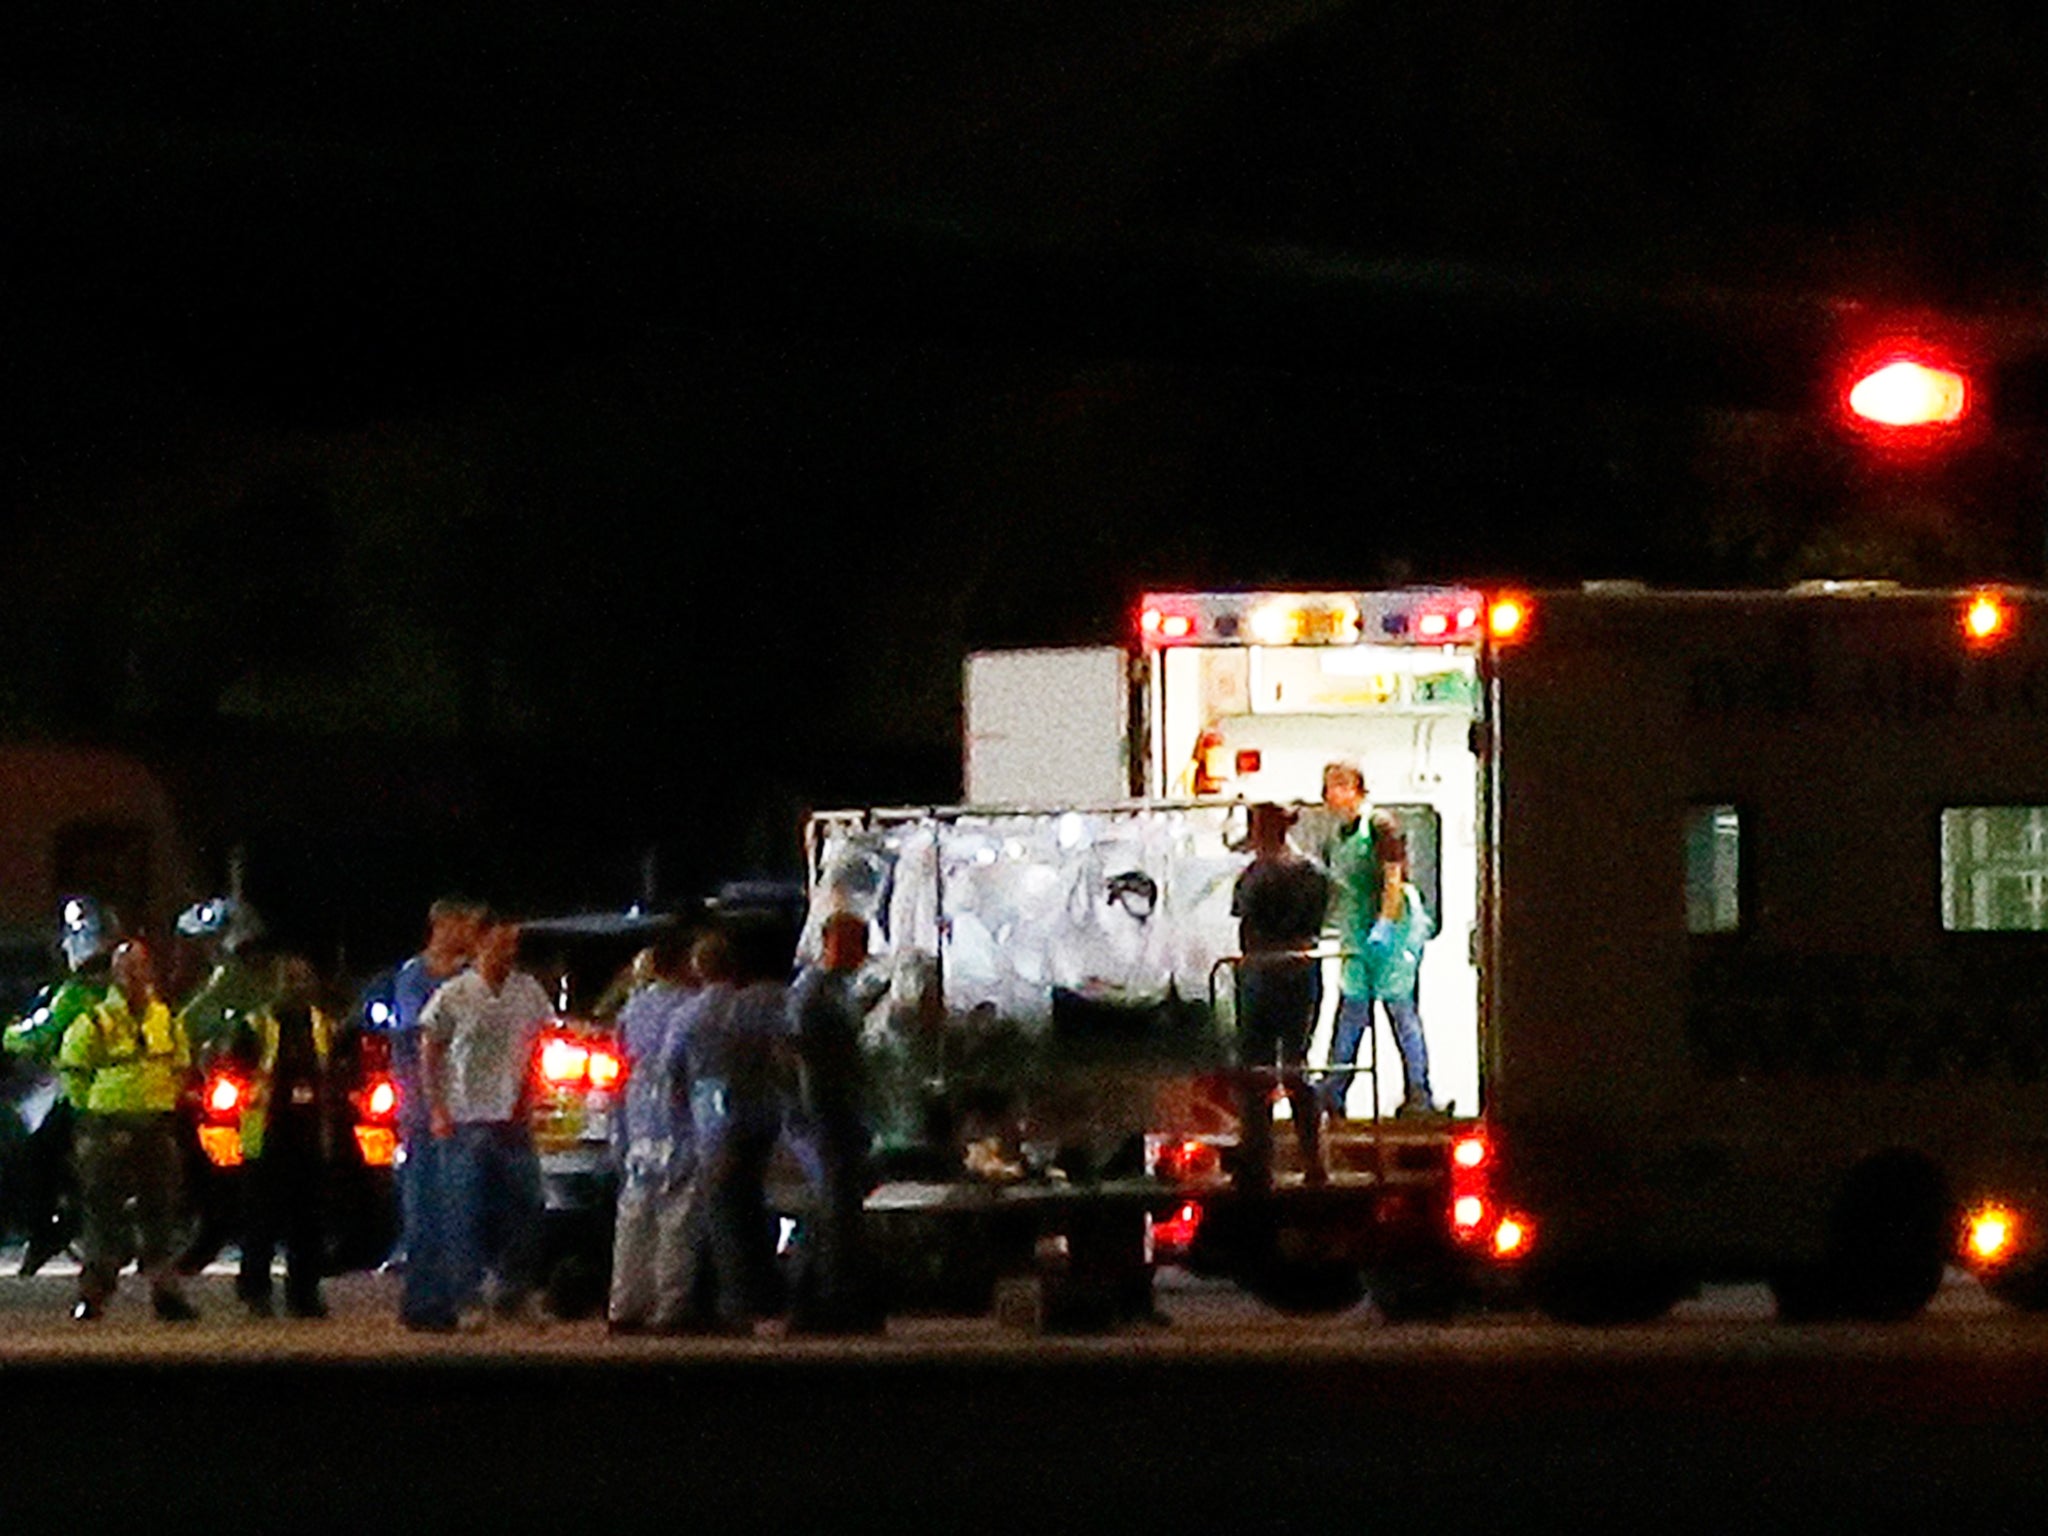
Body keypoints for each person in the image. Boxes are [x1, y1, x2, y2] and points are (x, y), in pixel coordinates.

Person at [420, 912, 552, 1328]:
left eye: (514, 945)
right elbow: (431, 1049)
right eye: (500, 944)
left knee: (526, 1209)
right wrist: (437, 1108)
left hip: (513, 1117)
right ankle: (468, 1301)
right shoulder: (455, 994)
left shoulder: (527, 991)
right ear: (480, 944)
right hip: (466, 1119)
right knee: (465, 1213)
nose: (509, 953)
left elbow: (544, 1037)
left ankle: (513, 1293)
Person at [57, 938, 199, 1321]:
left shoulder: (164, 1019)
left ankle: (166, 1292)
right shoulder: (96, 1021)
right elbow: (72, 1070)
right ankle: (95, 1293)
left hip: (156, 1125)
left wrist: (167, 1097)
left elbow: (181, 1063)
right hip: (109, 1127)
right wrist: (95, 1109)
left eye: (139, 968)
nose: (133, 976)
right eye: (125, 969)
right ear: (115, 974)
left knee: (162, 1212)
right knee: (103, 1214)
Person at [2, 896, 115, 1274]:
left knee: (31, 1155)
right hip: (130, 1099)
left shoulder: (74, 996)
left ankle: (46, 1229)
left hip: (85, 1100)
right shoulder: (129, 991)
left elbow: (37, 1032)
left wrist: (8, 1036)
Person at [785, 911, 885, 1334]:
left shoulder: (832, 991)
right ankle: (827, 1302)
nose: (861, 953)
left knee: (836, 1212)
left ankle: (829, 1299)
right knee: (835, 1212)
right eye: (855, 942)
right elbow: (808, 1060)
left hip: (836, 1115)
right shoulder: (813, 994)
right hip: (827, 1116)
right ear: (832, 943)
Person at [685, 927, 788, 1334]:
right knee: (751, 1207)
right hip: (762, 1117)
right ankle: (764, 1297)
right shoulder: (762, 1002)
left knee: (725, 1211)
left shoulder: (696, 1013)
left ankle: (735, 1303)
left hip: (718, 1121)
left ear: (698, 968)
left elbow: (675, 1072)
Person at [227, 954, 339, 1318]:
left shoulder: (323, 1024)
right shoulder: (256, 1024)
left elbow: (331, 1073)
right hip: (267, 1135)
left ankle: (304, 1293)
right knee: (260, 1220)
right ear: (274, 984)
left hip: (308, 1133)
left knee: (309, 1220)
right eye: (289, 979)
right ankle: (256, 1292)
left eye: (303, 979)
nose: (297, 986)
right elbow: (235, 1068)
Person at [390, 897, 483, 1332]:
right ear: (441, 923)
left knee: (457, 1209)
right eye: (464, 921)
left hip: (463, 1108)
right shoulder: (414, 977)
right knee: (425, 1206)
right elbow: (425, 1028)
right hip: (423, 1113)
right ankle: (423, 1302)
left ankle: (452, 1298)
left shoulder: (471, 977)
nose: (470, 930)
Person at [1313, 761, 1425, 1117]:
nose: (1332, 794)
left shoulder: (1380, 827)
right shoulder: (1336, 837)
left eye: (1339, 786)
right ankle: (1333, 1092)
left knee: (1401, 1013)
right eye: (1329, 786)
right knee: (1350, 1016)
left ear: (1355, 790)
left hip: (1390, 936)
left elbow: (1393, 879)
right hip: (1354, 935)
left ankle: (1420, 1092)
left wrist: (1386, 923)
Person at [606, 931, 704, 1334]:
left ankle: (624, 1305)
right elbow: (689, 1071)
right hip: (678, 1123)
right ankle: (670, 1307)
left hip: (639, 1121)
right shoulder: (689, 1009)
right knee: (676, 1219)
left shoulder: (632, 1010)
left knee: (633, 1218)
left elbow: (620, 1068)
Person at [172, 894, 274, 1273]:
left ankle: (213, 1233)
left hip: (243, 1096)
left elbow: (189, 1022)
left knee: (207, 1163)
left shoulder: (232, 979)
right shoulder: (269, 975)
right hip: (264, 1094)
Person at [1231, 802, 1328, 1191]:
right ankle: (1313, 1160)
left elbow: (1243, 922)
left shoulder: (1255, 875)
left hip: (1262, 972)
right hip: (1302, 970)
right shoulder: (1312, 873)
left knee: (1256, 1070)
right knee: (1295, 1065)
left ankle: (1259, 1162)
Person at [1360, 851, 1442, 1117]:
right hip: (1397, 976)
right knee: (1407, 1030)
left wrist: (1375, 952)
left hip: (1395, 977)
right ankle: (1418, 1090)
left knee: (1406, 1030)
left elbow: (1403, 939)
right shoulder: (1407, 897)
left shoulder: (1401, 898)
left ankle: (1419, 1091)